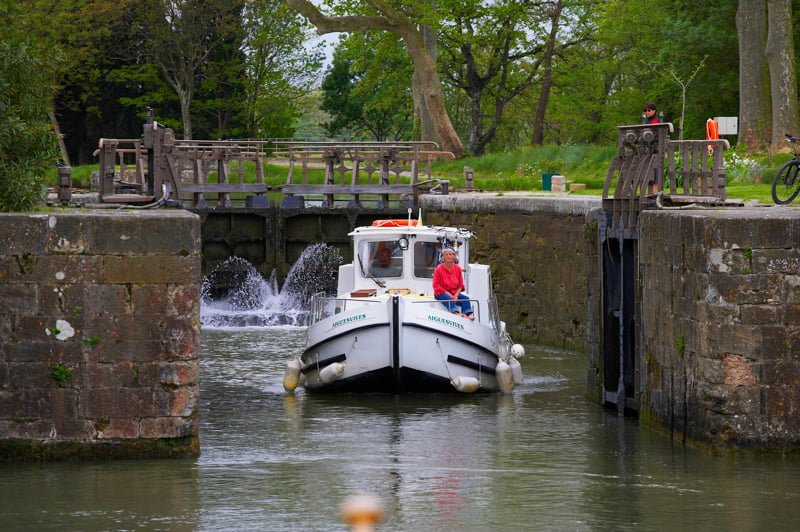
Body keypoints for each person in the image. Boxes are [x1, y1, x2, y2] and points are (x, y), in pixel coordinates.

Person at [432, 247, 474, 319]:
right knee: (448, 298)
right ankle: (456, 313)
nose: (448, 256)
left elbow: (461, 285)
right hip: (441, 293)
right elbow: (436, 286)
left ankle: (467, 315)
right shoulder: (438, 269)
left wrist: (456, 295)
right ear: (443, 257)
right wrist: (451, 296)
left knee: (465, 298)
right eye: (446, 254)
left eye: (450, 254)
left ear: (454, 256)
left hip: (454, 293)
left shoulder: (457, 268)